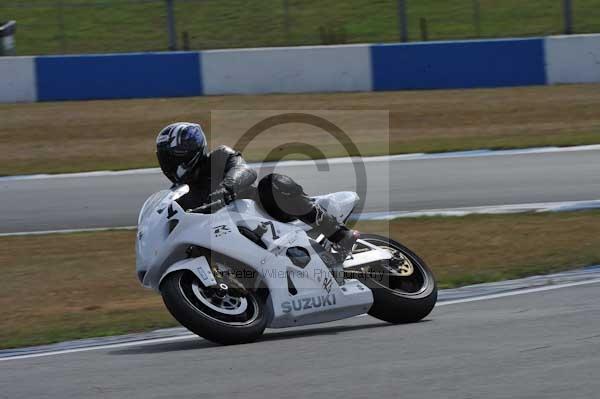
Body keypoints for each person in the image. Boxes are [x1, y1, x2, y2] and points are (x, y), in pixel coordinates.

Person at [155, 122, 359, 254]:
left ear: (190, 153)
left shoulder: (219, 157)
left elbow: (244, 171)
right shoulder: (179, 194)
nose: (168, 164)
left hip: (265, 215)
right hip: (229, 236)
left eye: (172, 158)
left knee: (271, 183)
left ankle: (339, 234)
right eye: (164, 159)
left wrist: (226, 188)